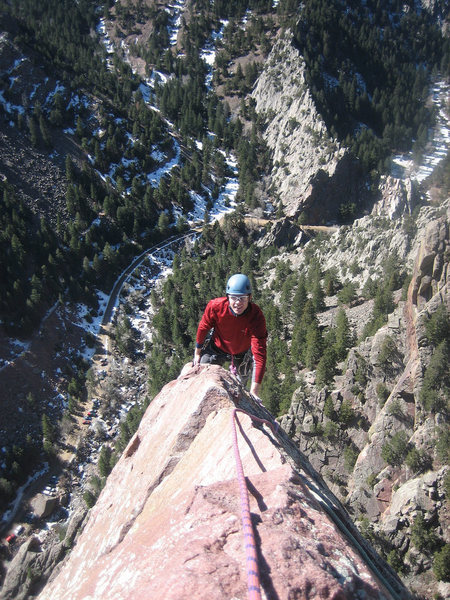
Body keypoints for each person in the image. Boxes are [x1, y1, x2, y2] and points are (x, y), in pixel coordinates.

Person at [193, 273, 267, 397]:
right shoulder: (215, 307)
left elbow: (259, 355)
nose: (238, 303)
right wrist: (197, 352)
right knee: (201, 375)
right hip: (217, 348)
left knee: (239, 388)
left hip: (242, 353)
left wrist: (254, 391)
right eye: (234, 297)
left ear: (250, 297)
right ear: (227, 297)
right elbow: (203, 327)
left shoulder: (256, 317)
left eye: (242, 298)